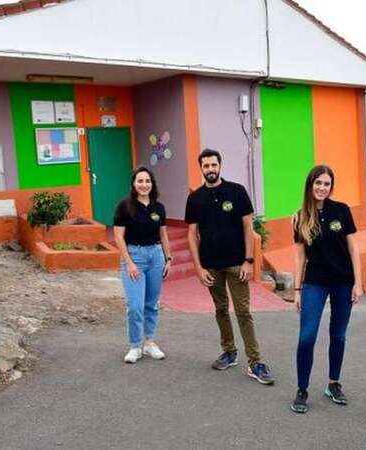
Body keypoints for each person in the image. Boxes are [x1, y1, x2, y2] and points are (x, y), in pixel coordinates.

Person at [184, 148, 274, 385]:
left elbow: (247, 227)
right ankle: (229, 352)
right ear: (201, 168)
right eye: (206, 166)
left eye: (214, 165)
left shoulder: (236, 192)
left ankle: (255, 362)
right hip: (211, 265)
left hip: (237, 264)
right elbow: (192, 235)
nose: (210, 169)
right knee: (221, 309)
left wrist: (248, 260)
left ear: (220, 166)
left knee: (243, 312)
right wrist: (199, 268)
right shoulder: (195, 199)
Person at [290, 165, 362, 414]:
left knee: (338, 334)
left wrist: (358, 283)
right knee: (306, 337)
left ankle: (333, 383)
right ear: (310, 185)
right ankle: (302, 389)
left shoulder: (341, 211)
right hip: (314, 282)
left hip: (343, 281)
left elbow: (353, 249)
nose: (322, 188)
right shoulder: (300, 217)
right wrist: (297, 290)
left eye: (326, 184)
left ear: (331, 187)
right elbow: (300, 258)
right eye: (318, 183)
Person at [113, 167, 172, 363]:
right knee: (135, 305)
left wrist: (168, 259)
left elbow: (163, 235)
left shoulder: (159, 208)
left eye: (147, 181)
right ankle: (135, 346)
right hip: (134, 256)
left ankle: (150, 343)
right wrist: (129, 263)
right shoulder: (124, 207)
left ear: (152, 184)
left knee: (152, 304)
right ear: (133, 184)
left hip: (156, 256)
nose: (144, 185)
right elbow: (118, 237)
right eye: (140, 181)